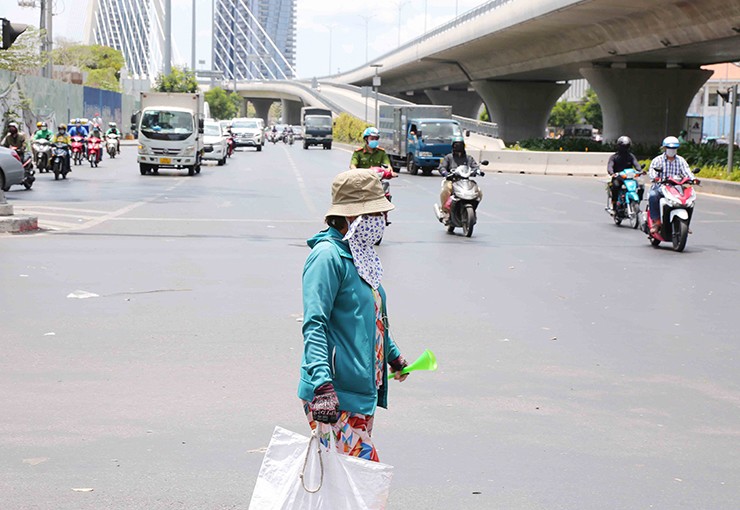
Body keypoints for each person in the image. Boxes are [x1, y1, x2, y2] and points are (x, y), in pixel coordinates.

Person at [298, 168, 408, 462]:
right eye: (375, 214)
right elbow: (315, 324)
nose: (382, 221)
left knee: (345, 484)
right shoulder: (327, 257)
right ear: (351, 218)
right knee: (363, 480)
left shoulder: (360, 255)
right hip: (335, 394)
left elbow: (370, 315)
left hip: (359, 390)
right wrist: (322, 386)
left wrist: (392, 355)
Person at [647, 136, 698, 234]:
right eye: (669, 148)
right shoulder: (657, 160)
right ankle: (656, 222)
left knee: (689, 200)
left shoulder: (681, 160)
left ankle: (685, 223)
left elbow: (687, 172)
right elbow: (652, 174)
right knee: (653, 195)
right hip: (661, 187)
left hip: (677, 187)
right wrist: (656, 178)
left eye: (674, 148)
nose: (672, 150)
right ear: (664, 148)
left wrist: (693, 179)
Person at [436, 136, 482, 220]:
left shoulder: (469, 158)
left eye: (460, 145)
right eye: (456, 145)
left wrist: (478, 171)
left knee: (478, 191)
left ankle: (473, 208)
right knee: (446, 189)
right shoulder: (448, 157)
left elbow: (474, 166)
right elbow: (442, 167)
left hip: (465, 181)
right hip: (452, 181)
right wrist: (445, 173)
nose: (458, 147)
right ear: (453, 146)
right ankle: (444, 211)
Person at [606, 135, 643, 214]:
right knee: (615, 186)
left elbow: (636, 164)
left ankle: (636, 202)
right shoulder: (614, 157)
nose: (625, 148)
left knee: (641, 186)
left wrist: (640, 170)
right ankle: (614, 205)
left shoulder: (631, 156)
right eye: (623, 146)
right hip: (618, 177)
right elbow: (610, 166)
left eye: (627, 146)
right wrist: (612, 173)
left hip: (629, 178)